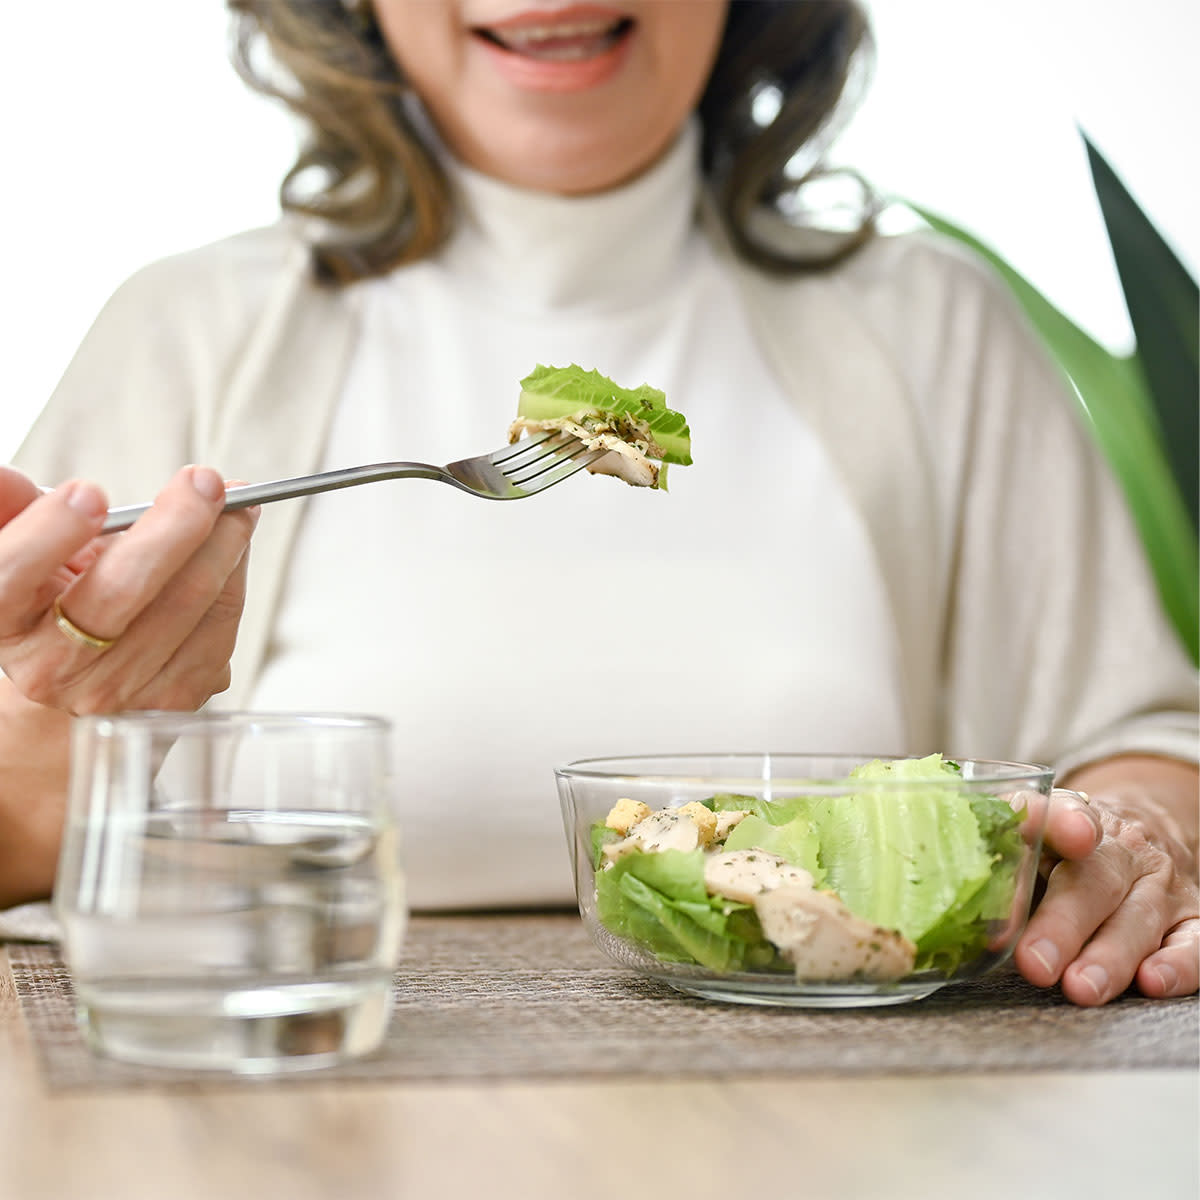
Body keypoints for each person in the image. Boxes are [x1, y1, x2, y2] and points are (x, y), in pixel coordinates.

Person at [0, 0, 1195, 1006]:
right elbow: (22, 823)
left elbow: (1146, 746)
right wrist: (52, 751)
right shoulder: (188, 328)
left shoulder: (933, 324)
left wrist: (1132, 845)